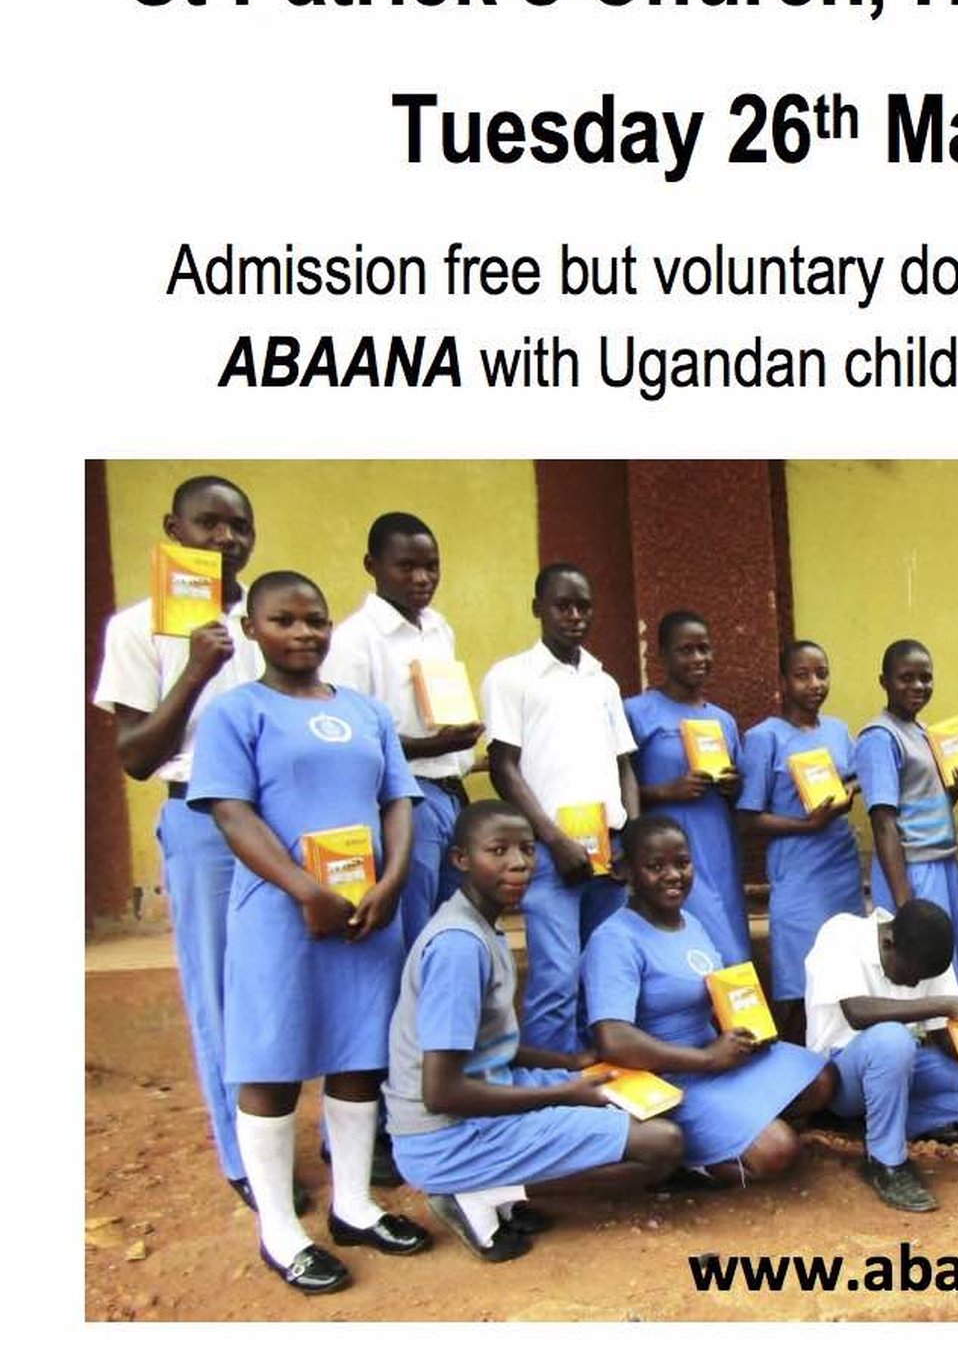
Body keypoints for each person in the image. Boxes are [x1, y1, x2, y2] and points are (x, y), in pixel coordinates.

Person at [189, 571, 429, 1293]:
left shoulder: (365, 711)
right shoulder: (238, 712)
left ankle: (354, 1205)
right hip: (283, 914)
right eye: (284, 620)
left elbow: (398, 800)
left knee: (360, 1054)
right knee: (272, 1059)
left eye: (315, 620)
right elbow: (232, 812)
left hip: (364, 913)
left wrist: (389, 883)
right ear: (253, 629)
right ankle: (279, 1229)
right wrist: (304, 890)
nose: (303, 634)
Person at [386, 799, 680, 1259]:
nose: (519, 863)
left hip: (481, 1105)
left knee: (645, 1106)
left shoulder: (481, 925)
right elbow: (441, 1093)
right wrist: (564, 1092)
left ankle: (498, 1185)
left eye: (526, 849)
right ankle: (488, 1192)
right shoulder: (459, 948)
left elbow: (483, 1047)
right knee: (661, 1146)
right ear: (460, 859)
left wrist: (568, 1064)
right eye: (498, 851)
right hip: (446, 1137)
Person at [92, 476, 262, 1204]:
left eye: (239, 525)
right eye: (209, 524)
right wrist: (197, 668)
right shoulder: (137, 627)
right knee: (221, 987)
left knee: (293, 980)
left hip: (283, 820)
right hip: (202, 821)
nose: (226, 539)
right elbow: (134, 754)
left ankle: (312, 1132)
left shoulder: (275, 614)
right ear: (173, 528)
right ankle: (244, 1155)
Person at [582, 815, 829, 1183]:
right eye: (655, 866)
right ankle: (695, 1161)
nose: (673, 875)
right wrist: (705, 1059)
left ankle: (740, 1123)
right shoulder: (615, 940)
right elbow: (612, 1039)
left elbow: (716, 995)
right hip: (669, 1078)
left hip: (716, 1058)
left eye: (682, 863)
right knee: (779, 1152)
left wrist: (747, 1032)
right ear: (627, 871)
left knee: (822, 1079)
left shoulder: (691, 924)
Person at [480, 564, 637, 1053]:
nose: (574, 616)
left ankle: (603, 1080)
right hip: (552, 854)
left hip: (609, 852)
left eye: (583, 606)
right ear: (537, 609)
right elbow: (504, 767)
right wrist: (554, 839)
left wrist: (628, 833)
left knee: (604, 974)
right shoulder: (511, 677)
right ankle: (549, 1086)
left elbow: (625, 767)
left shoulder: (602, 682)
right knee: (557, 976)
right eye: (561, 605)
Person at [325, 511, 481, 946]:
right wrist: (431, 746)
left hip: (451, 793)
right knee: (416, 926)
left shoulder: (437, 627)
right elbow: (353, 740)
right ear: (372, 566)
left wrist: (456, 742)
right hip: (405, 799)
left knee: (459, 920)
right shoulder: (354, 641)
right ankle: (414, 1013)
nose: (422, 578)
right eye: (406, 566)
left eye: (431, 566)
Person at [804, 895, 958, 1214]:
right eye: (912, 974)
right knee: (893, 1039)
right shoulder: (841, 934)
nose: (916, 983)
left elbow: (942, 1036)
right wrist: (947, 1004)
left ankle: (875, 1127)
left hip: (903, 1066)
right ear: (888, 943)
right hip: (840, 1075)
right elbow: (856, 1011)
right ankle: (887, 1164)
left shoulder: (927, 952)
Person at [736, 638, 866, 1034]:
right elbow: (747, 818)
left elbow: (855, 776)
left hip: (840, 867)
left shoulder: (840, 731)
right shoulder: (765, 738)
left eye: (822, 674)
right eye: (802, 675)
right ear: (783, 682)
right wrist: (806, 825)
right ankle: (796, 1072)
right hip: (796, 873)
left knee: (848, 977)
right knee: (797, 984)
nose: (815, 684)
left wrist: (849, 793)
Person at [854, 638, 958, 992]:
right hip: (912, 869)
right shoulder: (879, 737)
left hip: (943, 863)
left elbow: (928, 799)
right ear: (884, 681)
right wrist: (905, 905)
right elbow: (883, 822)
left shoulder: (924, 733)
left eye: (925, 678)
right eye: (906, 678)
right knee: (928, 971)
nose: (917, 686)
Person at [624, 610, 751, 960]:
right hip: (667, 850)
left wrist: (732, 785)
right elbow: (620, 786)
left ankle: (733, 1015)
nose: (698, 658)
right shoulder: (636, 712)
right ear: (662, 655)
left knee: (733, 945)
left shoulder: (722, 720)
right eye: (686, 650)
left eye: (704, 649)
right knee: (697, 946)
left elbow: (741, 792)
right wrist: (667, 791)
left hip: (717, 847)